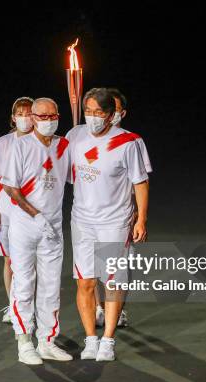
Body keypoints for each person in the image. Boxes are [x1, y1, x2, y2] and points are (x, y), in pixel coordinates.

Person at [66, 88, 149, 361]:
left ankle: (108, 340)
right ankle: (91, 339)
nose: (91, 117)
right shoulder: (75, 135)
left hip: (114, 221)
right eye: (87, 111)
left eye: (98, 113)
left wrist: (141, 219)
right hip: (82, 221)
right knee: (85, 283)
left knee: (112, 281)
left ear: (111, 115)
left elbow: (140, 182)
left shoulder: (129, 142)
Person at [1, 97, 73, 365]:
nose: (48, 121)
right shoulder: (20, 146)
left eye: (52, 116)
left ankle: (47, 340)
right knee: (24, 283)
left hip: (53, 227)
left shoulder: (65, 145)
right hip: (25, 226)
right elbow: (11, 188)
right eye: (42, 116)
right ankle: (24, 341)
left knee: (51, 285)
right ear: (32, 118)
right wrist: (36, 215)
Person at [94, 88, 153, 328]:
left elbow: (141, 180)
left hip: (122, 213)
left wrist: (139, 212)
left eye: (115, 110)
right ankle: (100, 308)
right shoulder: (91, 138)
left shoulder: (133, 140)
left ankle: (119, 311)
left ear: (121, 113)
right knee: (97, 265)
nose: (110, 115)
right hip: (93, 213)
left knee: (119, 267)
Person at [0, 97, 34, 323]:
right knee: (9, 259)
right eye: (20, 114)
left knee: (31, 259)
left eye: (29, 113)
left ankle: (30, 304)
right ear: (13, 118)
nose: (25, 118)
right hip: (7, 207)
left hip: (32, 206)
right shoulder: (2, 143)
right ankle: (13, 304)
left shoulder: (43, 142)